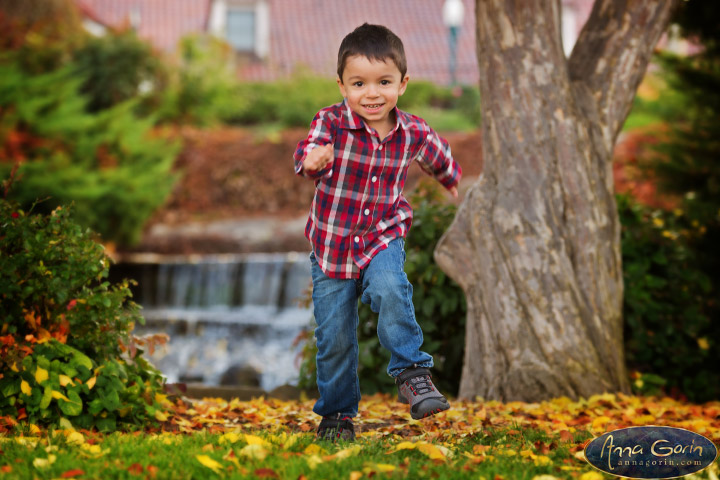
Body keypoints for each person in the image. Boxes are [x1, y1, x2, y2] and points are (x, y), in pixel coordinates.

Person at [293, 23, 462, 442]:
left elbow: (438, 155)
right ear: (342, 85)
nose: (372, 94)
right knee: (334, 339)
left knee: (390, 287)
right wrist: (312, 161)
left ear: (402, 84)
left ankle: (412, 374)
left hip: (382, 236)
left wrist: (451, 179)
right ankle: (336, 416)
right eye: (359, 83)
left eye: (383, 82)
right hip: (331, 248)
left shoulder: (412, 131)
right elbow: (307, 150)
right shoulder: (330, 122)